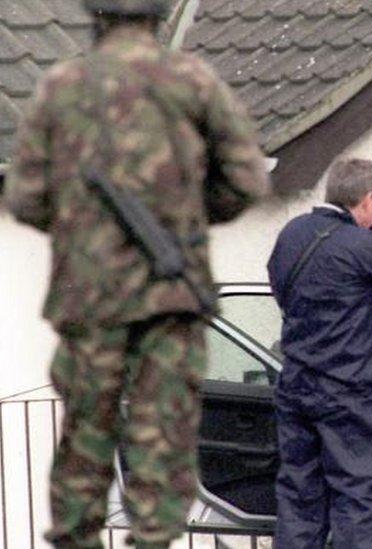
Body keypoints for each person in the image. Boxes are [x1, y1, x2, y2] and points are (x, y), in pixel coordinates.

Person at [2, 0, 270, 546]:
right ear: (159, 13)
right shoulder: (193, 81)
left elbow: (25, 197)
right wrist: (191, 217)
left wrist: (82, 229)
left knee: (86, 434)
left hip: (89, 296)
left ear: (95, 12)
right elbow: (246, 180)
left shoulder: (63, 85)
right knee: (161, 438)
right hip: (170, 297)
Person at [267, 158, 372, 549]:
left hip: (296, 389)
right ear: (367, 200)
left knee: (298, 502)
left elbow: (280, 286)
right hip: (352, 397)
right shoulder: (362, 246)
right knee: (356, 503)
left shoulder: (292, 234)